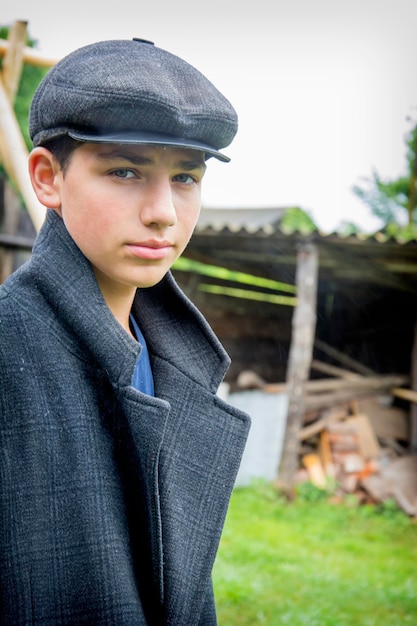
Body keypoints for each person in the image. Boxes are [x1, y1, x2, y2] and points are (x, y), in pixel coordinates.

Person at [0, 38, 250, 625]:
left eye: (186, 177)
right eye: (125, 170)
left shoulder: (173, 357)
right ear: (46, 178)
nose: (163, 210)